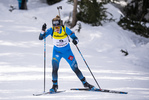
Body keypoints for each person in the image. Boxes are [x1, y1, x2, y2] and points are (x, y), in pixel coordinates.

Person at [39, 15, 94, 92]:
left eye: (58, 27)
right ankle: (55, 86)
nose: (56, 29)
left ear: (60, 25)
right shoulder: (51, 30)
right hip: (56, 52)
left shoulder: (65, 29)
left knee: (75, 68)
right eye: (55, 27)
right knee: (54, 69)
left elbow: (75, 37)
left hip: (67, 52)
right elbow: (41, 38)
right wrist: (43, 30)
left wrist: (75, 41)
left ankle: (85, 83)